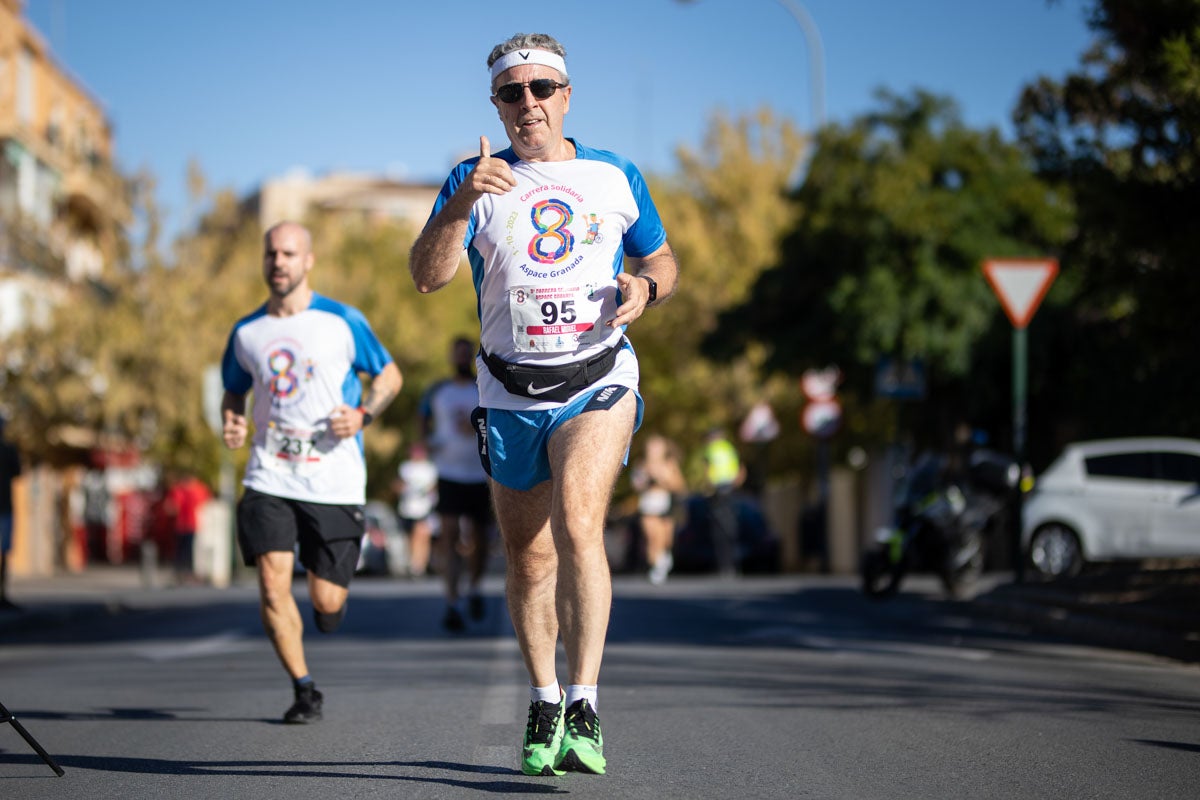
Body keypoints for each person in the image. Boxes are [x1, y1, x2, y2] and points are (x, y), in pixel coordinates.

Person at [409, 32, 678, 777]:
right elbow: (427, 276)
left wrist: (645, 288)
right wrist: (461, 202)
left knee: (581, 524)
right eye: (510, 92)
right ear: (494, 103)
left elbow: (659, 258)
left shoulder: (614, 174)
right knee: (527, 560)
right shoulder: (472, 178)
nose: (526, 103)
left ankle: (585, 701)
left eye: (540, 89)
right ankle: (545, 697)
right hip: (509, 390)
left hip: (597, 379)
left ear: (566, 95)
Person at [221, 221, 402, 724]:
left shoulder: (342, 321)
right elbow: (234, 388)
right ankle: (304, 689)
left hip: (334, 478)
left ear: (308, 261)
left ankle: (328, 608)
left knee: (326, 603)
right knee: (273, 583)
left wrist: (363, 414)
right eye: (271, 253)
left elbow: (389, 375)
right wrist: (231, 418)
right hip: (269, 474)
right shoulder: (247, 332)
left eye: (288, 253)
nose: (278, 261)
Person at [419, 336, 493, 632]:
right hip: (448, 472)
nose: (462, 359)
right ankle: (452, 600)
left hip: (481, 472)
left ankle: (474, 587)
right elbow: (422, 417)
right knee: (448, 535)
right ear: (451, 357)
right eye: (458, 354)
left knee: (480, 538)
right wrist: (426, 442)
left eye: (467, 354)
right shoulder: (439, 390)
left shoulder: (484, 387)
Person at [630, 434, 686, 584]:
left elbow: (680, 486)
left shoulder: (669, 464)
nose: (653, 450)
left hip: (666, 504)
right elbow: (636, 485)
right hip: (648, 505)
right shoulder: (641, 464)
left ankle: (664, 557)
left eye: (657, 447)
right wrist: (646, 479)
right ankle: (656, 566)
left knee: (665, 538)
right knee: (652, 536)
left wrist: (664, 480)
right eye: (651, 447)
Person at [703, 427, 744, 577]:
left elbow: (708, 469)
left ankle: (724, 566)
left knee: (719, 528)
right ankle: (733, 565)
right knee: (731, 526)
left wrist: (708, 486)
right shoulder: (729, 448)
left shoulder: (711, 448)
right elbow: (740, 469)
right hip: (730, 488)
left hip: (717, 489)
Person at [393, 441, 437, 577]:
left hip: (424, 507)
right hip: (408, 508)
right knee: (410, 537)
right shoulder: (406, 467)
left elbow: (433, 486)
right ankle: (413, 562)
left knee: (421, 535)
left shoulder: (430, 468)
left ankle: (418, 564)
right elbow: (398, 485)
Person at [162, 470, 213, 585]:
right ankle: (186, 573)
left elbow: (171, 507)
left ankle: (182, 572)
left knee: (182, 550)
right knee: (187, 550)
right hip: (189, 524)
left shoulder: (179, 489)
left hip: (184, 524)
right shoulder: (198, 489)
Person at [0, 418, 22, 611]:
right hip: (5, 507)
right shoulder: (8, 450)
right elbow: (18, 471)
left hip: (5, 507)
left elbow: (17, 471)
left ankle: (3, 594)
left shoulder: (8, 450)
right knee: (4, 553)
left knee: (5, 552)